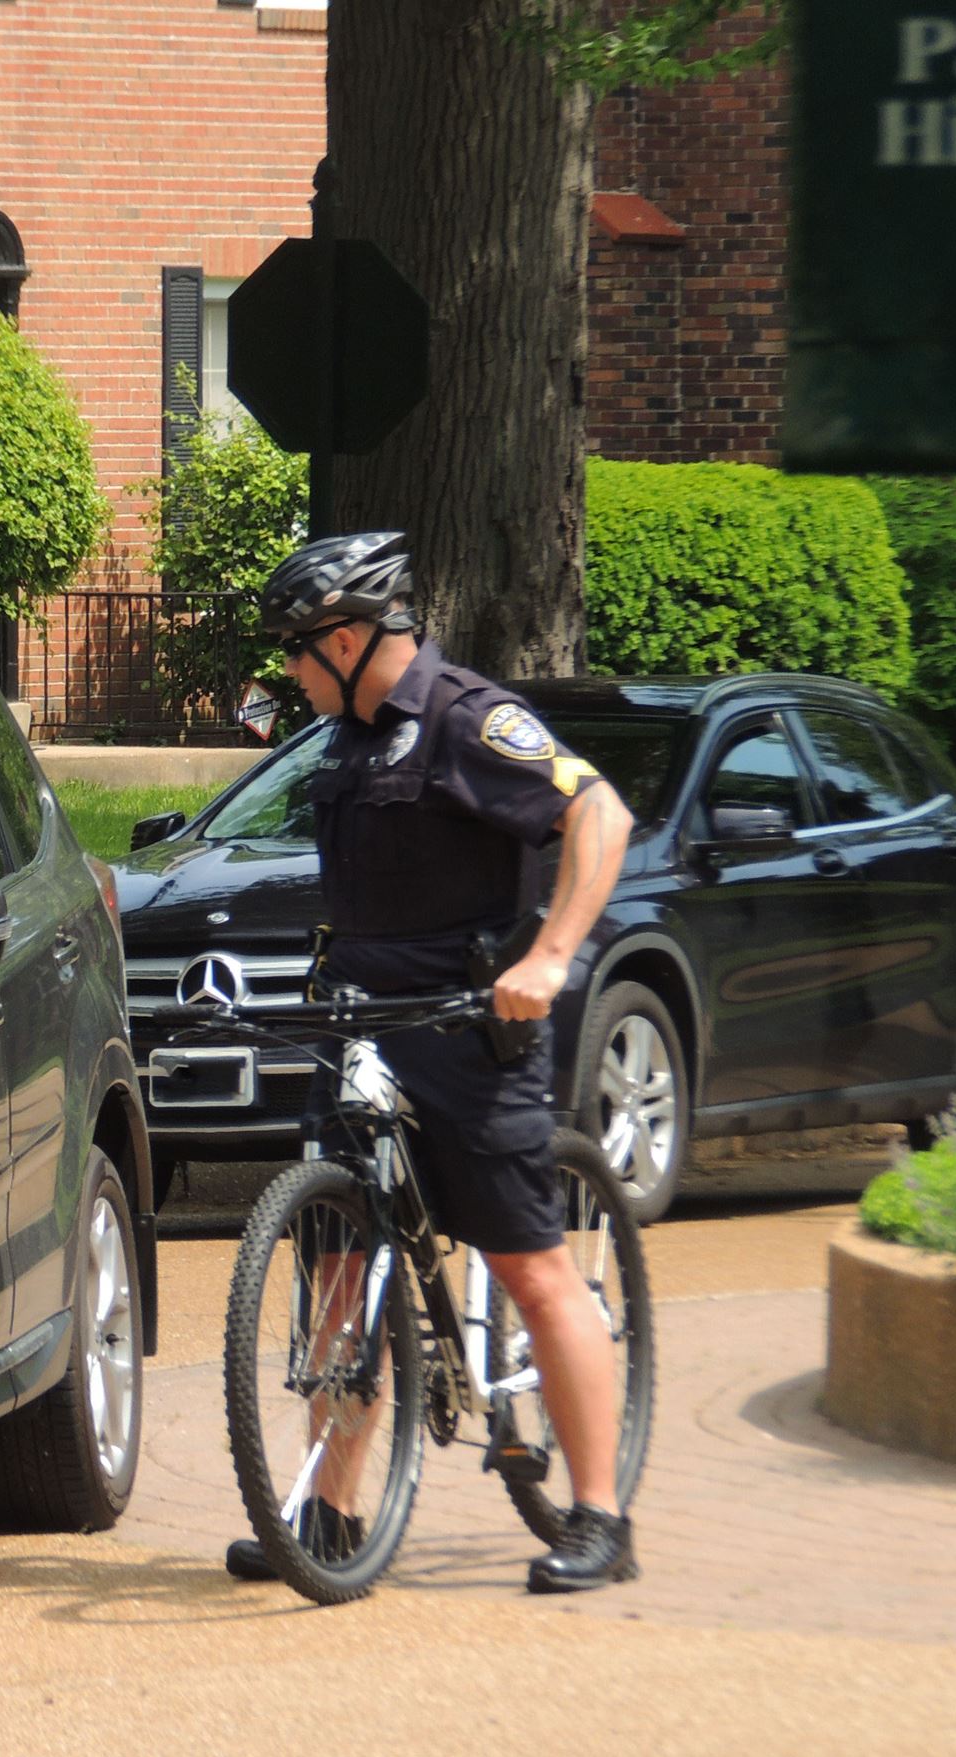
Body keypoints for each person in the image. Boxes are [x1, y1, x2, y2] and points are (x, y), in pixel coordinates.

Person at [226, 530, 641, 1595]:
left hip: (467, 1030)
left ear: (354, 637)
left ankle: (598, 1516)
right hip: (357, 1025)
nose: (286, 668)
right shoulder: (344, 740)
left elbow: (597, 810)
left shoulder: (464, 718)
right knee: (331, 1271)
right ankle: (328, 1509)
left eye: (297, 647)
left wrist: (550, 956)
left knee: (530, 1267)